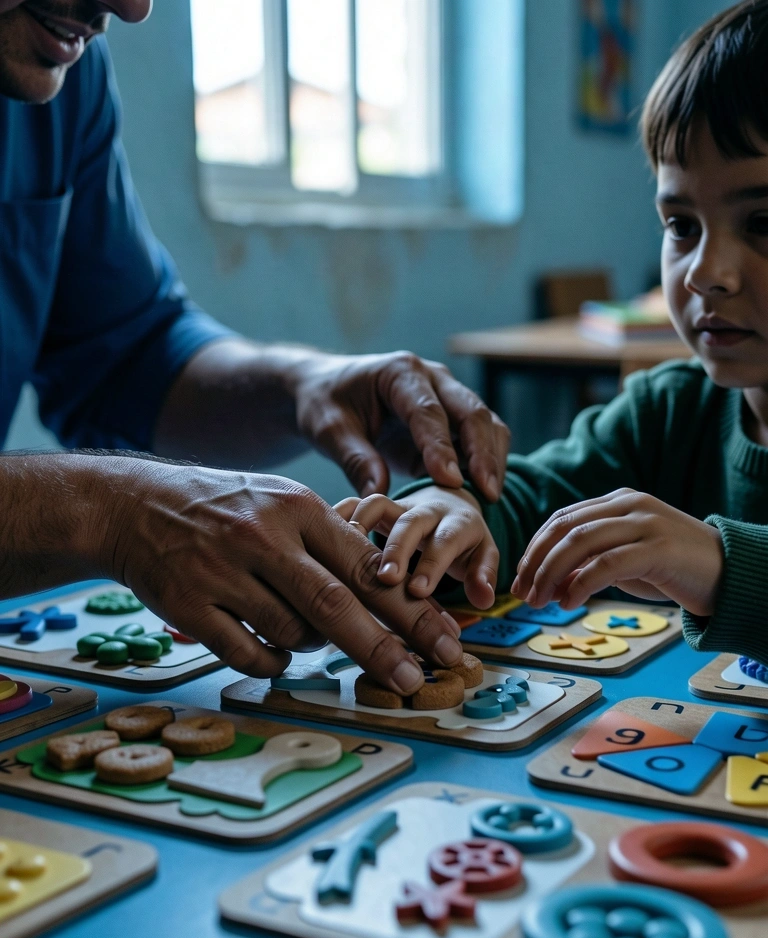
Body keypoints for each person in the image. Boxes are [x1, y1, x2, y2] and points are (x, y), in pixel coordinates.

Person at [0, 0, 511, 695]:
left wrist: (304, 386)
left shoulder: (58, 68)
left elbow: (127, 356)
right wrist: (113, 512)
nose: (132, 6)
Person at [338, 0, 768, 666]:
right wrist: (454, 510)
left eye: (762, 223)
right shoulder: (666, 411)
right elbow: (538, 496)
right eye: (681, 225)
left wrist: (719, 565)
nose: (706, 273)